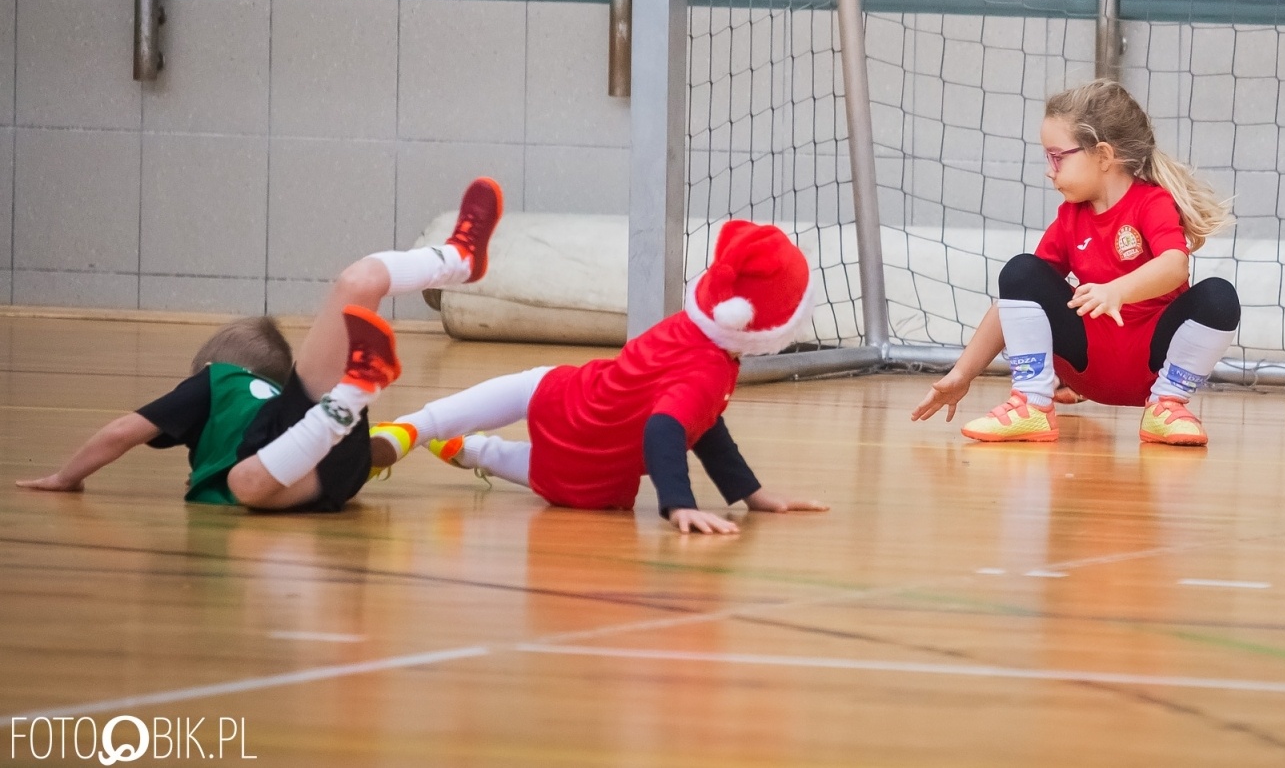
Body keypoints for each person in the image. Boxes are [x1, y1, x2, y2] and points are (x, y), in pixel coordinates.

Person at [16, 178, 503, 510]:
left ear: (207, 366)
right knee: (356, 281)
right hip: (324, 446)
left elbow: (122, 432)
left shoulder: (214, 381)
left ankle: (357, 390)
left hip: (315, 471)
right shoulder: (276, 397)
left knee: (241, 481)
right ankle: (455, 259)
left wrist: (66, 477)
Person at [369, 219, 829, 534]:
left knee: (526, 386)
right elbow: (667, 428)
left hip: (569, 398)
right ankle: (475, 452)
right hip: (592, 478)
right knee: (556, 471)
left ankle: (421, 426)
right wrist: (680, 504)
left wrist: (750, 492)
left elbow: (700, 422)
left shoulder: (688, 331)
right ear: (764, 326)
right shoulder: (709, 369)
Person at [912, 79, 1240, 446]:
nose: (1049, 170)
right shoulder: (1070, 218)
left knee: (1219, 296)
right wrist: (962, 374)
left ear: (1102, 155)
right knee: (1021, 272)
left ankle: (1167, 405)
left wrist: (1117, 290)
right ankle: (1032, 405)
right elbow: (1015, 301)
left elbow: (1175, 266)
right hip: (1088, 366)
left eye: (1057, 156)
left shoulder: (1151, 204)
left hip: (1150, 367)